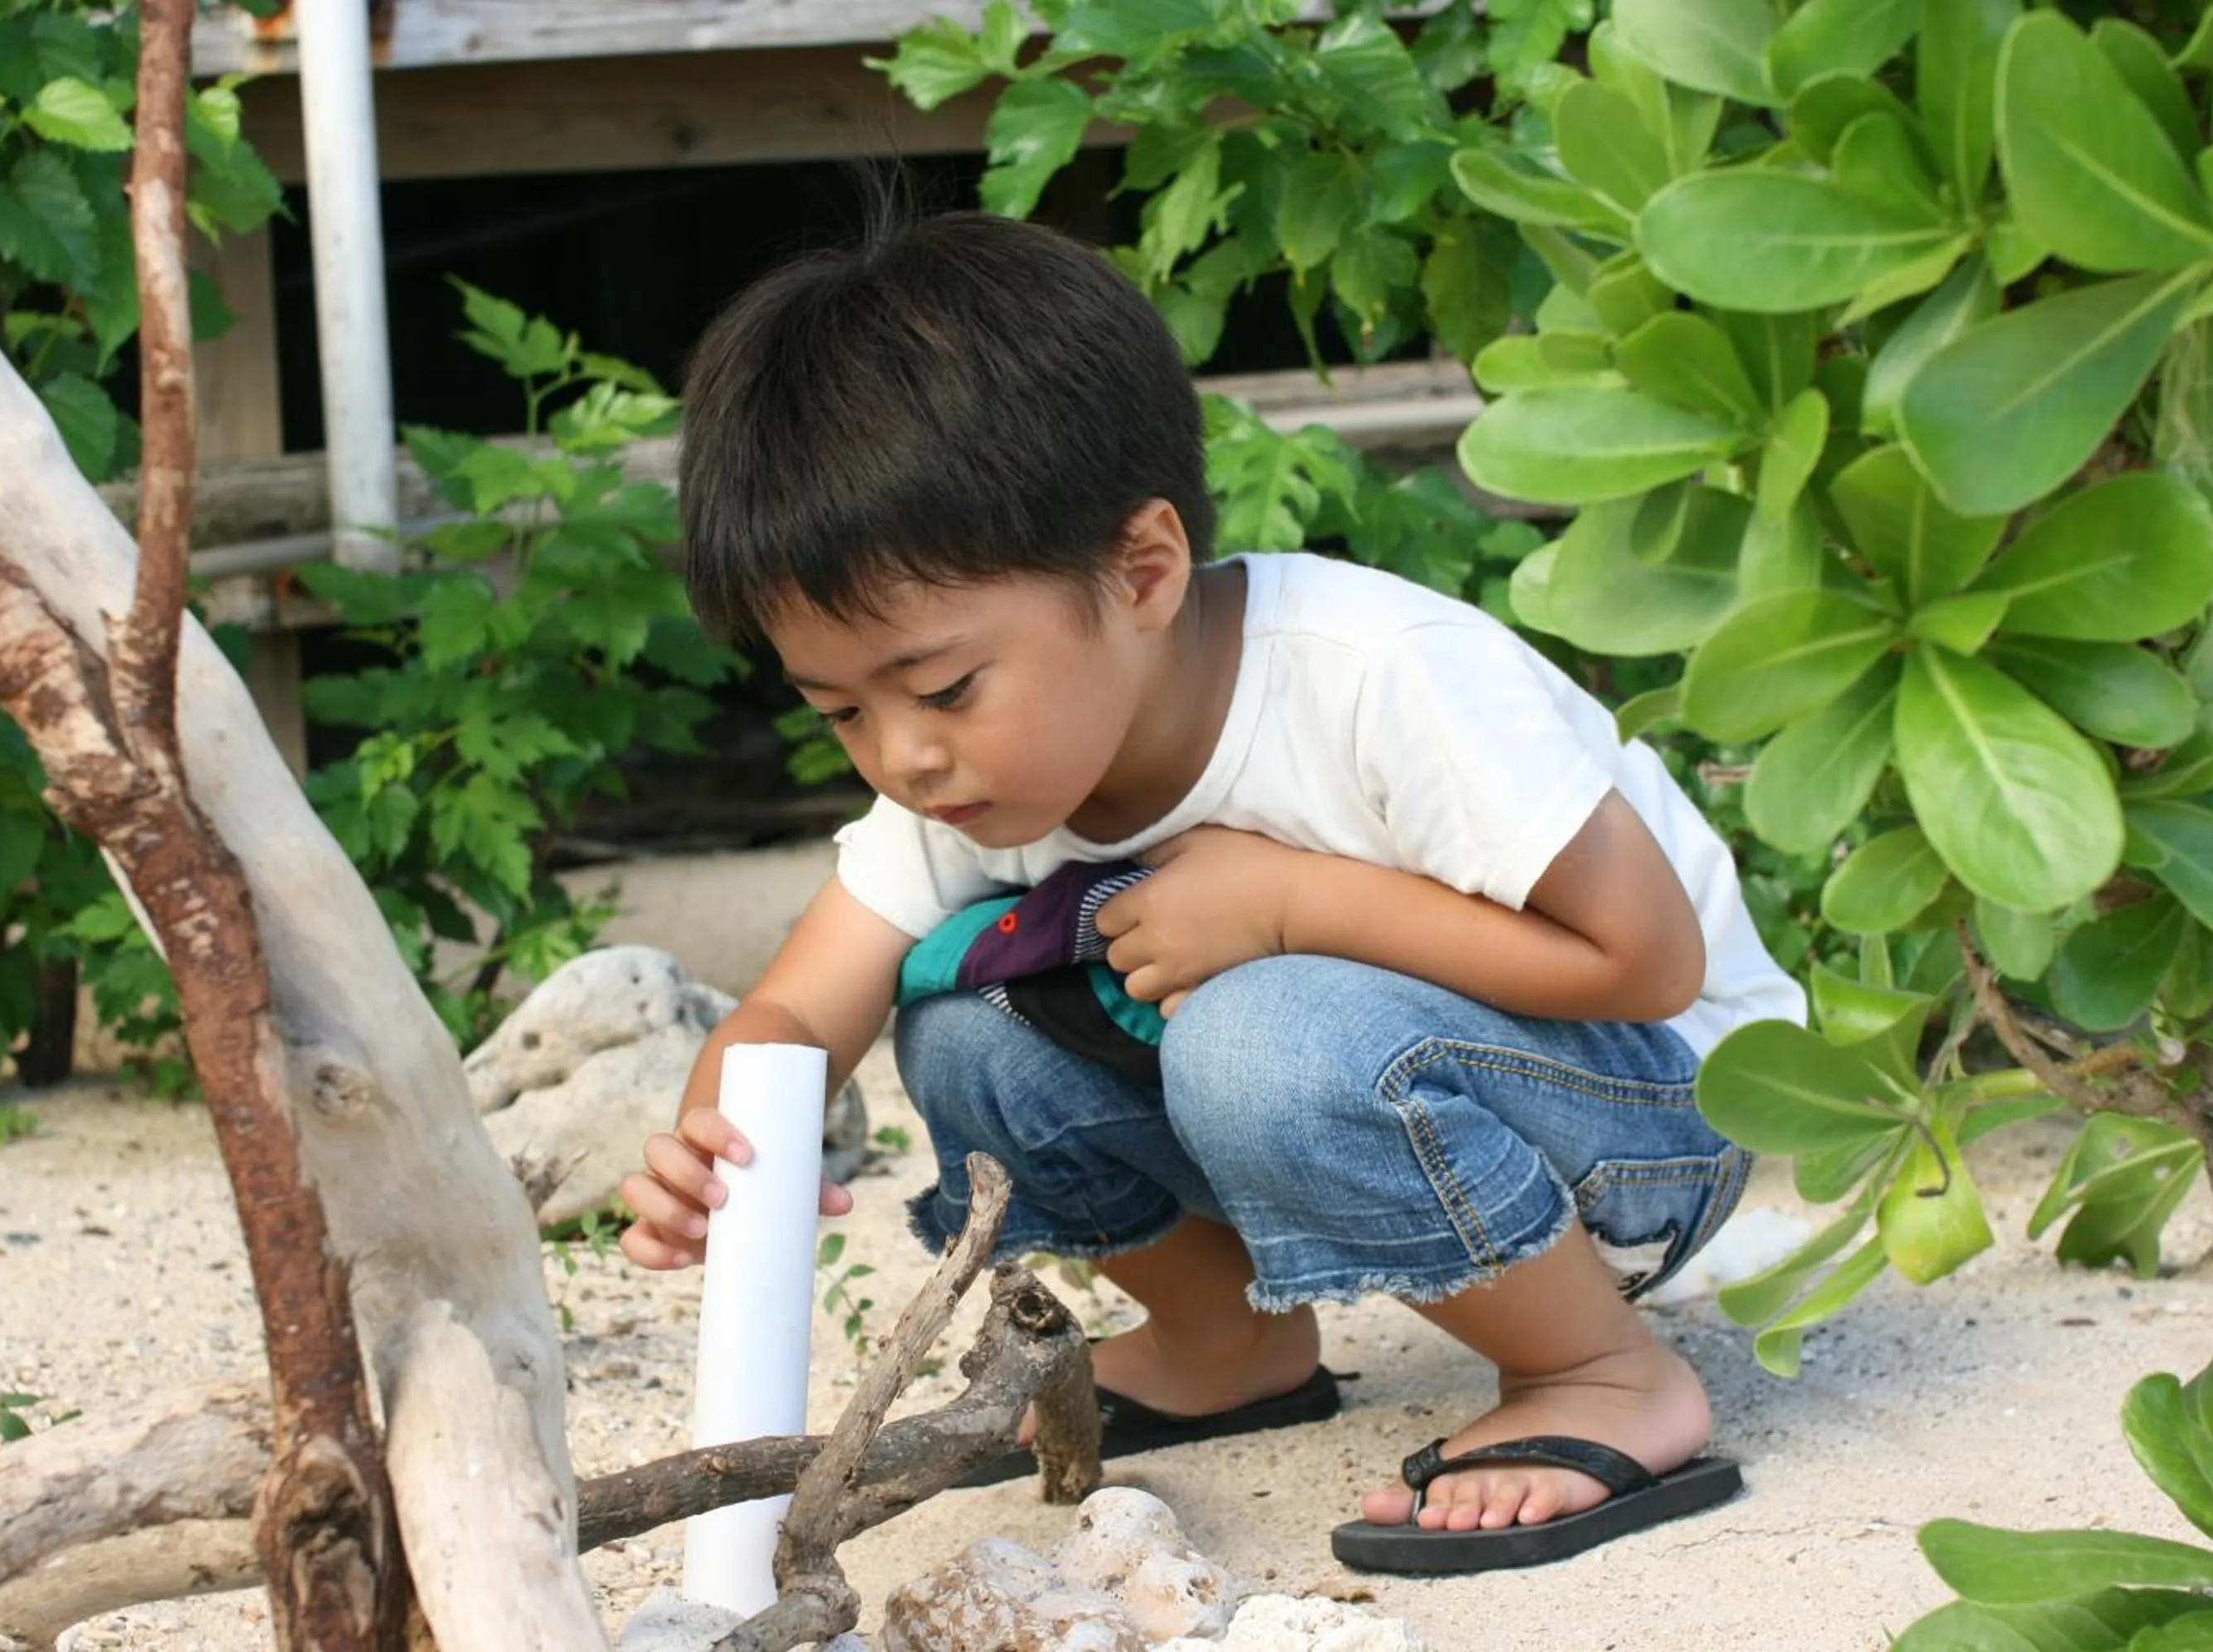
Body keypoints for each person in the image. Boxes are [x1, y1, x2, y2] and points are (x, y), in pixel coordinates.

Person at [619, 210, 1805, 1573]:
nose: (905, 756)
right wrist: (724, 1134)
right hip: (1407, 1094)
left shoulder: (1374, 677)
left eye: (944, 688)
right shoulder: (968, 782)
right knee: (964, 1031)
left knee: (1261, 1030)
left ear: (1142, 571)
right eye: (841, 712)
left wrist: (1291, 902)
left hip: (1653, 1114)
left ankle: (1601, 1372)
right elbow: (796, 1007)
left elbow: (1643, 960)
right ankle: (1226, 1343)